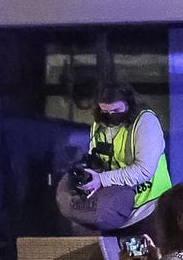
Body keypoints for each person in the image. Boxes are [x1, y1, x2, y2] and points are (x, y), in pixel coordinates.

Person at [57, 83, 172, 234]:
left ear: (129, 104)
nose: (111, 115)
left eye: (116, 110)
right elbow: (95, 157)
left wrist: (102, 179)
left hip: (148, 210)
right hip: (113, 212)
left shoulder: (145, 122)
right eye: (105, 111)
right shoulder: (100, 124)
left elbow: (144, 170)